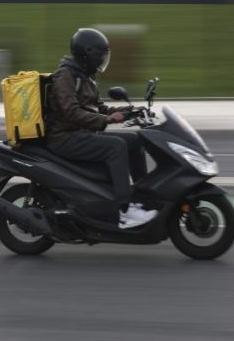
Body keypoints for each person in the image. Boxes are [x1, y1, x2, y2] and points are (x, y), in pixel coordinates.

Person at [45, 28, 157, 229]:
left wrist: (130, 110)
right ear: (86, 54)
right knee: (116, 147)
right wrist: (106, 121)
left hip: (81, 133)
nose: (101, 60)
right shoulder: (66, 76)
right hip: (63, 137)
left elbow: (100, 108)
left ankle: (141, 196)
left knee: (134, 140)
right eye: (99, 56)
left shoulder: (87, 76)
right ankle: (125, 211)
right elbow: (71, 112)